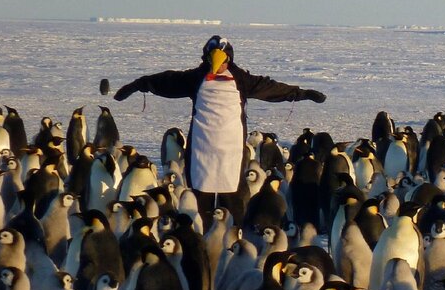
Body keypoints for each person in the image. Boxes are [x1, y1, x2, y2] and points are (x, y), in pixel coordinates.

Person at [114, 35, 326, 222]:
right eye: (212, 60)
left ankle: (234, 244)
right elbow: (165, 81)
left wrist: (302, 93)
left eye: (223, 61)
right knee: (201, 203)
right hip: (201, 149)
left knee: (234, 201)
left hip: (231, 151)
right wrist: (137, 85)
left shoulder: (241, 80)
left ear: (229, 59)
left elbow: (271, 88)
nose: (218, 65)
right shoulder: (195, 78)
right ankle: (204, 242)